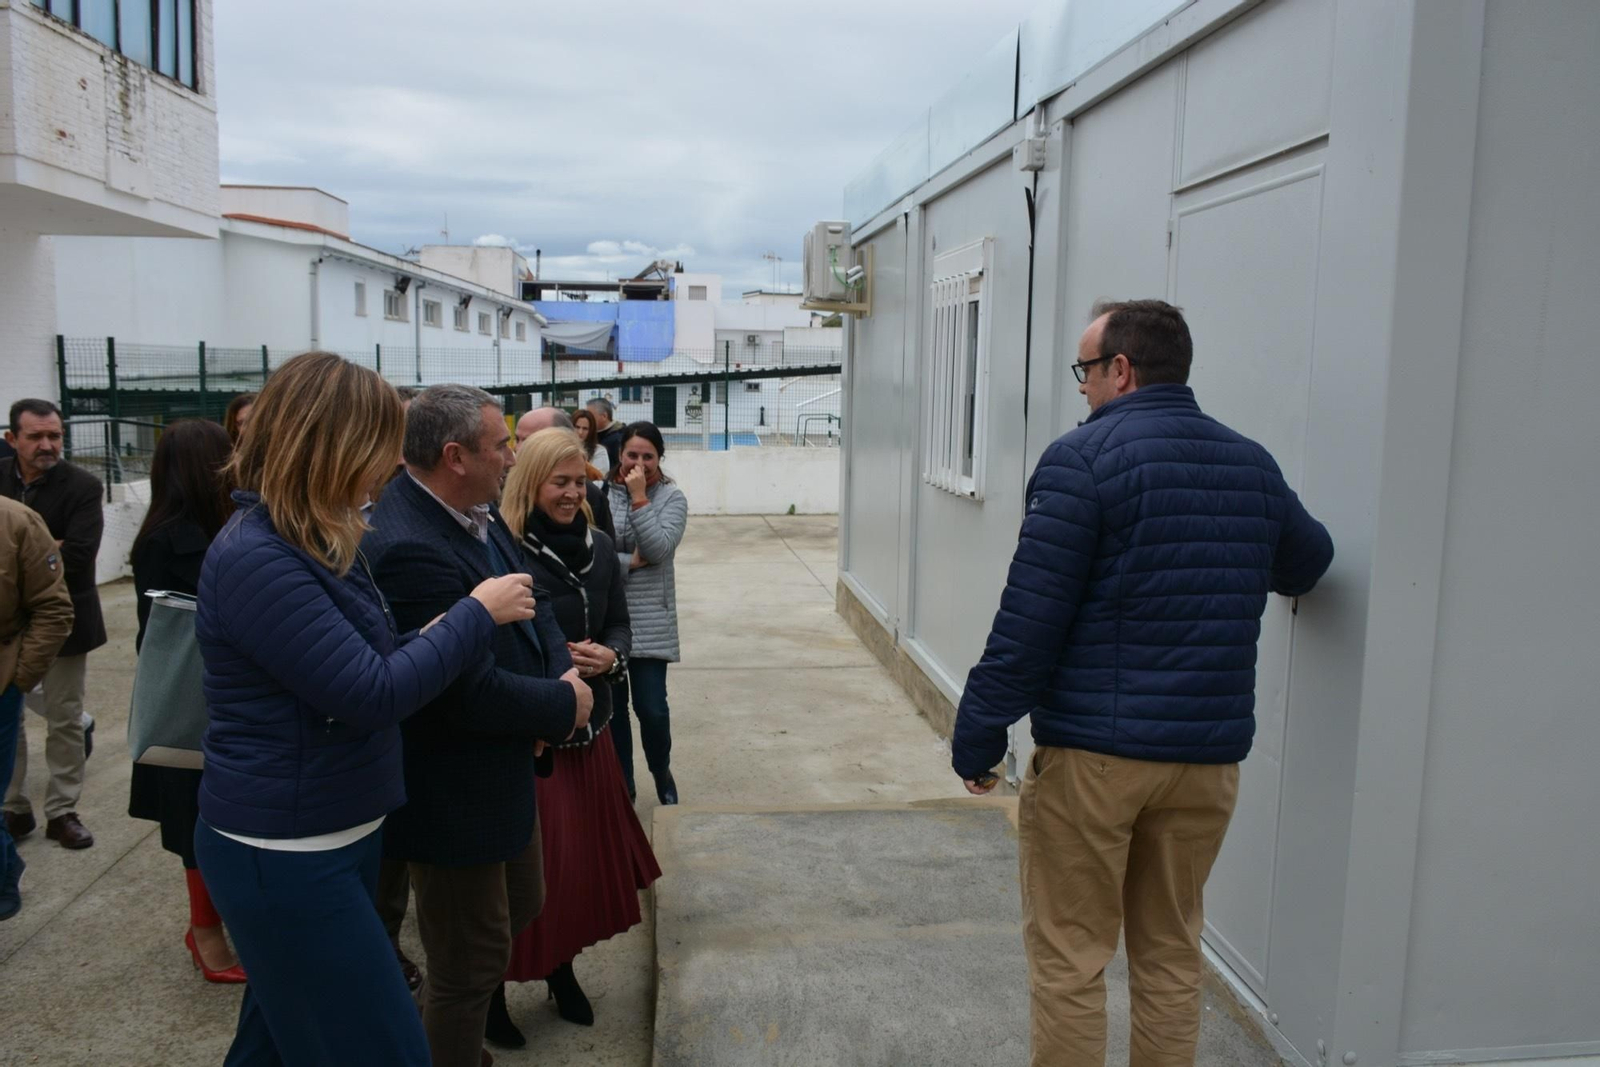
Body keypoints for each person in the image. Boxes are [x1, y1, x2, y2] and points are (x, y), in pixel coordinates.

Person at [951, 300, 1334, 1067]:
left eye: (1086, 369)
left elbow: (1030, 619)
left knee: (1071, 956)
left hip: (1096, 761)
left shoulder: (1081, 460)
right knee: (1170, 954)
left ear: (1121, 369)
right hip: (1205, 765)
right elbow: (1308, 560)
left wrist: (978, 733)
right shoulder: (1251, 463)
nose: (1082, 386)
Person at [193, 352, 539, 1066]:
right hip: (288, 855)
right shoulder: (261, 557)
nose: (391, 462)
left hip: (325, 837)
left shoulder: (312, 540)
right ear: (333, 444)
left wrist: (438, 631)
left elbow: (368, 659)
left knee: (272, 1046)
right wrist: (474, 614)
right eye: (382, 441)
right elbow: (371, 693)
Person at [363, 384, 594, 1067]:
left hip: (504, 767)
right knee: (470, 962)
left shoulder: (474, 510)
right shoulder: (407, 544)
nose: (513, 457)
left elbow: (533, 599)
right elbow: (459, 694)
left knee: (520, 904)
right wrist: (561, 707)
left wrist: (562, 680)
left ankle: (436, 1035)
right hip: (452, 791)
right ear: (455, 456)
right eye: (502, 445)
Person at [486, 428, 661, 1047]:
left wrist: (611, 656)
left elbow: (619, 623)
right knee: (528, 878)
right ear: (530, 483)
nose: (570, 493)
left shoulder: (601, 544)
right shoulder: (504, 551)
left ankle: (561, 971)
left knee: (576, 871)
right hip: (536, 740)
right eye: (558, 482)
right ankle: (491, 993)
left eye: (578, 482)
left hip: (593, 731)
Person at [126, 419, 245, 983]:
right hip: (190, 707)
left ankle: (215, 924)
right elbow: (165, 636)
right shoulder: (170, 541)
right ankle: (205, 933)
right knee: (195, 827)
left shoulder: (219, 532)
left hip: (213, 702)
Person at [1, 399, 105, 850]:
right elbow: (55, 554)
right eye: (36, 436)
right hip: (7, 624)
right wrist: (44, 550)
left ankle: (62, 812)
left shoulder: (83, 485)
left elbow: (79, 554)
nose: (47, 445)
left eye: (55, 436)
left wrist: (16, 556)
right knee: (9, 714)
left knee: (64, 718)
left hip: (64, 618)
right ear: (11, 439)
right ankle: (13, 807)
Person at [605, 422, 688, 805]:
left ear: (660, 457)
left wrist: (639, 498)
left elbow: (657, 550)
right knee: (614, 712)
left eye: (648, 456)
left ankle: (661, 770)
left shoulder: (672, 499)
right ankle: (624, 785)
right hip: (608, 616)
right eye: (632, 454)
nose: (639, 463)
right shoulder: (600, 493)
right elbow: (589, 550)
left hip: (651, 621)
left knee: (652, 709)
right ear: (620, 454)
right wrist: (628, 563)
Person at [0, 496, 74, 921]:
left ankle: (3, 877)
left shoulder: (17, 521)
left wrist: (17, 679)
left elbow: (53, 608)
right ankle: (8, 861)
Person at [515, 407, 614, 540]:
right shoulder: (501, 492)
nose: (519, 449)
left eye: (530, 441)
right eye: (517, 439)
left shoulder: (593, 499)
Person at [570, 407, 610, 480]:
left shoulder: (599, 451)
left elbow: (600, 479)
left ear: (591, 431)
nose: (580, 432)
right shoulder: (562, 448)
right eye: (577, 427)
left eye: (585, 429)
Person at [586, 397, 624, 471]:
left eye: (590, 416)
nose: (587, 419)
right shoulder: (596, 434)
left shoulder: (616, 440)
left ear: (604, 416)